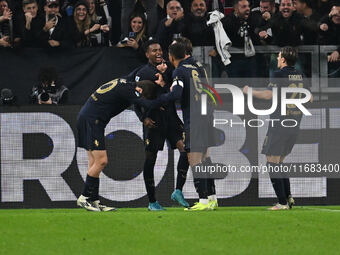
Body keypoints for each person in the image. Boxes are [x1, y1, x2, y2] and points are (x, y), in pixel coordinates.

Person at [243, 46, 312, 210]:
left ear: (283, 59)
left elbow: (268, 95)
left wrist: (248, 91)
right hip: (295, 123)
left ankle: (282, 202)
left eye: (279, 56)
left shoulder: (279, 74)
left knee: (271, 162)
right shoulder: (301, 76)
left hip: (280, 123)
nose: (277, 58)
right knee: (279, 162)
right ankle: (288, 198)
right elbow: (309, 99)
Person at [154, 39, 218, 211]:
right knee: (205, 156)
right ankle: (212, 198)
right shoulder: (199, 67)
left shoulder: (180, 71)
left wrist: (159, 98)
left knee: (194, 158)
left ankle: (203, 201)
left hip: (194, 118)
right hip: (207, 113)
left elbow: (176, 93)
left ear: (171, 56)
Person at [126, 40, 190, 210]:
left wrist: (164, 81)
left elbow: (173, 91)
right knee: (150, 159)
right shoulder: (143, 72)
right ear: (147, 54)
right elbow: (135, 98)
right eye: (154, 50)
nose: (158, 52)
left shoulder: (170, 69)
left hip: (171, 117)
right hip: (153, 120)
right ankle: (152, 201)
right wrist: (142, 118)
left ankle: (178, 190)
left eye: (160, 50)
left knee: (187, 150)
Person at [76, 78, 157, 211]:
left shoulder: (125, 83)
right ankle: (84, 197)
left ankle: (93, 200)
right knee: (102, 161)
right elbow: (145, 104)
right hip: (92, 121)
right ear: (140, 90)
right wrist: (165, 99)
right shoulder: (130, 90)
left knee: (94, 162)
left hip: (88, 118)